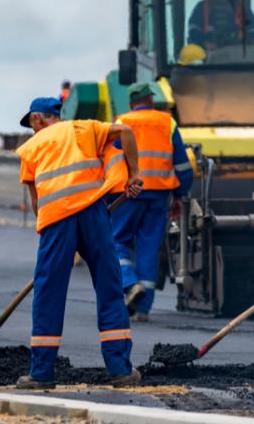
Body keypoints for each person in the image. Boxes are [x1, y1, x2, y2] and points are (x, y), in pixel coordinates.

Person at [14, 97, 144, 389]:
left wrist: (53, 241)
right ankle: (121, 370)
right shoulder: (84, 129)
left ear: (38, 119)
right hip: (93, 213)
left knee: (48, 292)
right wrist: (134, 174)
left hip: (57, 221)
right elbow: (125, 132)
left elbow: (36, 203)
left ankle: (41, 373)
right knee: (110, 287)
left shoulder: (31, 148)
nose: (32, 130)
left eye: (32, 124)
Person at [108, 82, 193, 322]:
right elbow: (183, 166)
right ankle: (143, 310)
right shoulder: (168, 122)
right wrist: (180, 194)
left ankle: (129, 282)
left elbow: (112, 158)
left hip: (128, 193)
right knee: (149, 249)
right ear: (151, 100)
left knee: (115, 240)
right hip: (159, 196)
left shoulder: (121, 121)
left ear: (132, 102)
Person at [186, 0, 254, 58]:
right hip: (209, 63)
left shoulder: (239, 7)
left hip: (240, 58)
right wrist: (204, 43)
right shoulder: (201, 7)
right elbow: (193, 32)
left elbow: (252, 28)